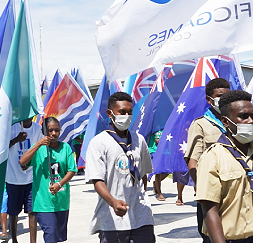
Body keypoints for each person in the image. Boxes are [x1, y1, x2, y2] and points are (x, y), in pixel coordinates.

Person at [196, 90, 253, 243]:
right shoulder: (212, 158)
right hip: (227, 239)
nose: (251, 121)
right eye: (243, 116)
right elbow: (209, 210)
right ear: (226, 121)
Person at [86, 92, 155, 243]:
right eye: (122, 112)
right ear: (110, 113)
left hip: (141, 216)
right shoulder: (99, 143)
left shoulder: (139, 139)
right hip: (112, 218)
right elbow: (97, 180)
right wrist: (113, 201)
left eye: (130, 112)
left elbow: (143, 173)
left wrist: (140, 197)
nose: (127, 116)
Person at [184, 77, 230, 243]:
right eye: (220, 96)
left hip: (233, 192)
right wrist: (201, 187)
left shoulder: (233, 122)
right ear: (210, 100)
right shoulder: (201, 124)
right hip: (211, 193)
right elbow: (192, 161)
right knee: (212, 236)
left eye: (227, 95)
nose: (224, 99)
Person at [19, 117, 77, 243]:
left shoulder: (65, 147)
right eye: (50, 130)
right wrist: (39, 144)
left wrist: (59, 184)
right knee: (50, 234)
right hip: (43, 203)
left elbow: (72, 170)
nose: (54, 134)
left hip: (61, 201)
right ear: (43, 131)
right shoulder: (38, 148)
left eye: (57, 130)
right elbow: (22, 162)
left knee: (57, 237)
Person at [7, 117, 41, 243]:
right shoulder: (13, 127)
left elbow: (39, 147)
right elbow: (3, 147)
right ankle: (14, 239)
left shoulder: (37, 128)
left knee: (32, 211)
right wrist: (17, 139)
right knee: (14, 212)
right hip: (13, 177)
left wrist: (30, 162)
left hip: (31, 177)